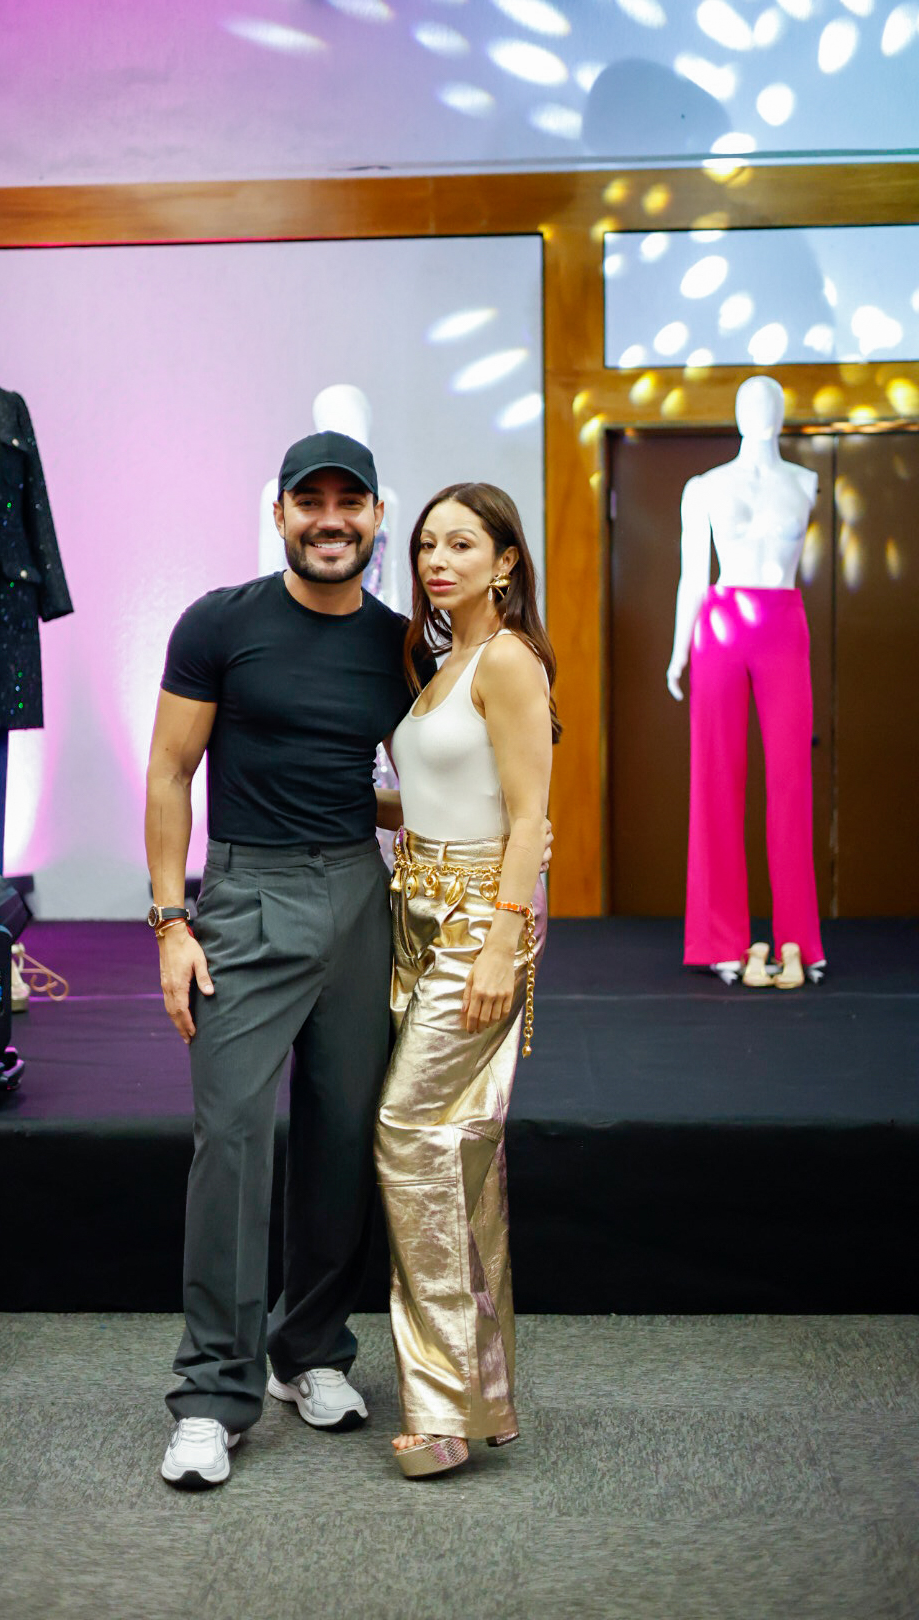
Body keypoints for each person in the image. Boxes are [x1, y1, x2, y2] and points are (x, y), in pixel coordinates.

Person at [145, 429, 435, 1490]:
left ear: (376, 518)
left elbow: (410, 785)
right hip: (247, 898)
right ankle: (211, 1396)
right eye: (310, 501)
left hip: (358, 895)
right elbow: (171, 770)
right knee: (231, 1141)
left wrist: (496, 835)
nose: (330, 520)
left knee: (344, 1137)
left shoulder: (400, 646)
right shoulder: (219, 624)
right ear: (279, 514)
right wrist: (171, 922)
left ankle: (308, 1349)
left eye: (349, 502)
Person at [372, 483, 559, 1478]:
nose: (439, 562)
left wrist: (500, 942)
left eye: (462, 545)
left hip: (481, 917)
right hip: (418, 914)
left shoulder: (509, 660)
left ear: (505, 561)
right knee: (458, 1147)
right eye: (427, 546)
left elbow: (530, 817)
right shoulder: (443, 663)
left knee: (409, 1134)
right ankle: (478, 1391)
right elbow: (436, 794)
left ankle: (444, 1409)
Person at [666, 375, 825, 989]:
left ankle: (798, 940)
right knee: (715, 778)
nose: (759, 412)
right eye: (749, 402)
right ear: (735, 413)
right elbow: (692, 576)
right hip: (721, 623)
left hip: (782, 622)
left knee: (791, 780)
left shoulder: (804, 482)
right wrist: (678, 652)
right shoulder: (704, 487)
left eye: (769, 403)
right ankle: (719, 940)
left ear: (783, 414)